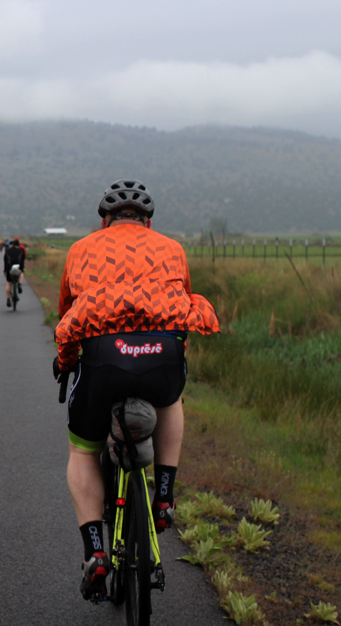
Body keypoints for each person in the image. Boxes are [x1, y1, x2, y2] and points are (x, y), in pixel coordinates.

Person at [53, 180, 220, 600]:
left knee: (82, 451)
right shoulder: (172, 248)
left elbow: (67, 315)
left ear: (104, 221)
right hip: (161, 356)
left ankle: (95, 552)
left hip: (103, 359)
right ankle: (163, 497)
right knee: (171, 399)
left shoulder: (81, 249)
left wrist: (66, 362)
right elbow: (182, 301)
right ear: (148, 221)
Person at [3, 238, 26, 303]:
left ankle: (8, 299)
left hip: (9, 269)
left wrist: (5, 269)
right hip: (18, 268)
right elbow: (22, 260)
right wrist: (22, 268)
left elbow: (5, 261)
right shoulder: (20, 250)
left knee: (9, 283)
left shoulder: (7, 251)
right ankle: (19, 284)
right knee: (21, 273)